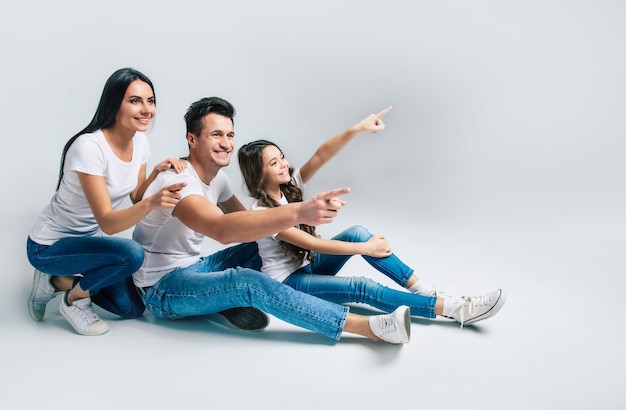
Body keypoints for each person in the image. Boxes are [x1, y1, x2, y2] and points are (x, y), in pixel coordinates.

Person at [131, 96, 412, 344]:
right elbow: (222, 230)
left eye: (230, 135)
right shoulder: (180, 183)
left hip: (197, 267)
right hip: (162, 288)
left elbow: (252, 223)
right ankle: (369, 328)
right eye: (216, 135)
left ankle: (231, 298)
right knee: (248, 282)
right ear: (193, 139)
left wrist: (357, 129)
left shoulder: (218, 178)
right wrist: (300, 212)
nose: (226, 144)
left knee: (263, 244)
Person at [26, 68, 259, 337]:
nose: (146, 109)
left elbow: (136, 195)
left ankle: (57, 280)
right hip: (50, 245)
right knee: (132, 254)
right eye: (135, 101)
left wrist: (156, 174)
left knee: (131, 308)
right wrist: (153, 203)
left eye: (150, 101)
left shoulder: (140, 142)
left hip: (91, 242)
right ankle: (74, 299)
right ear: (115, 103)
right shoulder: (88, 147)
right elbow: (110, 223)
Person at [237, 107, 506, 327]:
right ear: (258, 174)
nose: (284, 164)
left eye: (281, 157)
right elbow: (312, 244)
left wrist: (357, 128)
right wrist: (365, 249)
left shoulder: (289, 187)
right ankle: (456, 309)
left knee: (356, 230)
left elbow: (321, 155)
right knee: (362, 288)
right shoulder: (261, 213)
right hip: (289, 283)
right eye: (274, 163)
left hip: (308, 266)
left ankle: (424, 291)